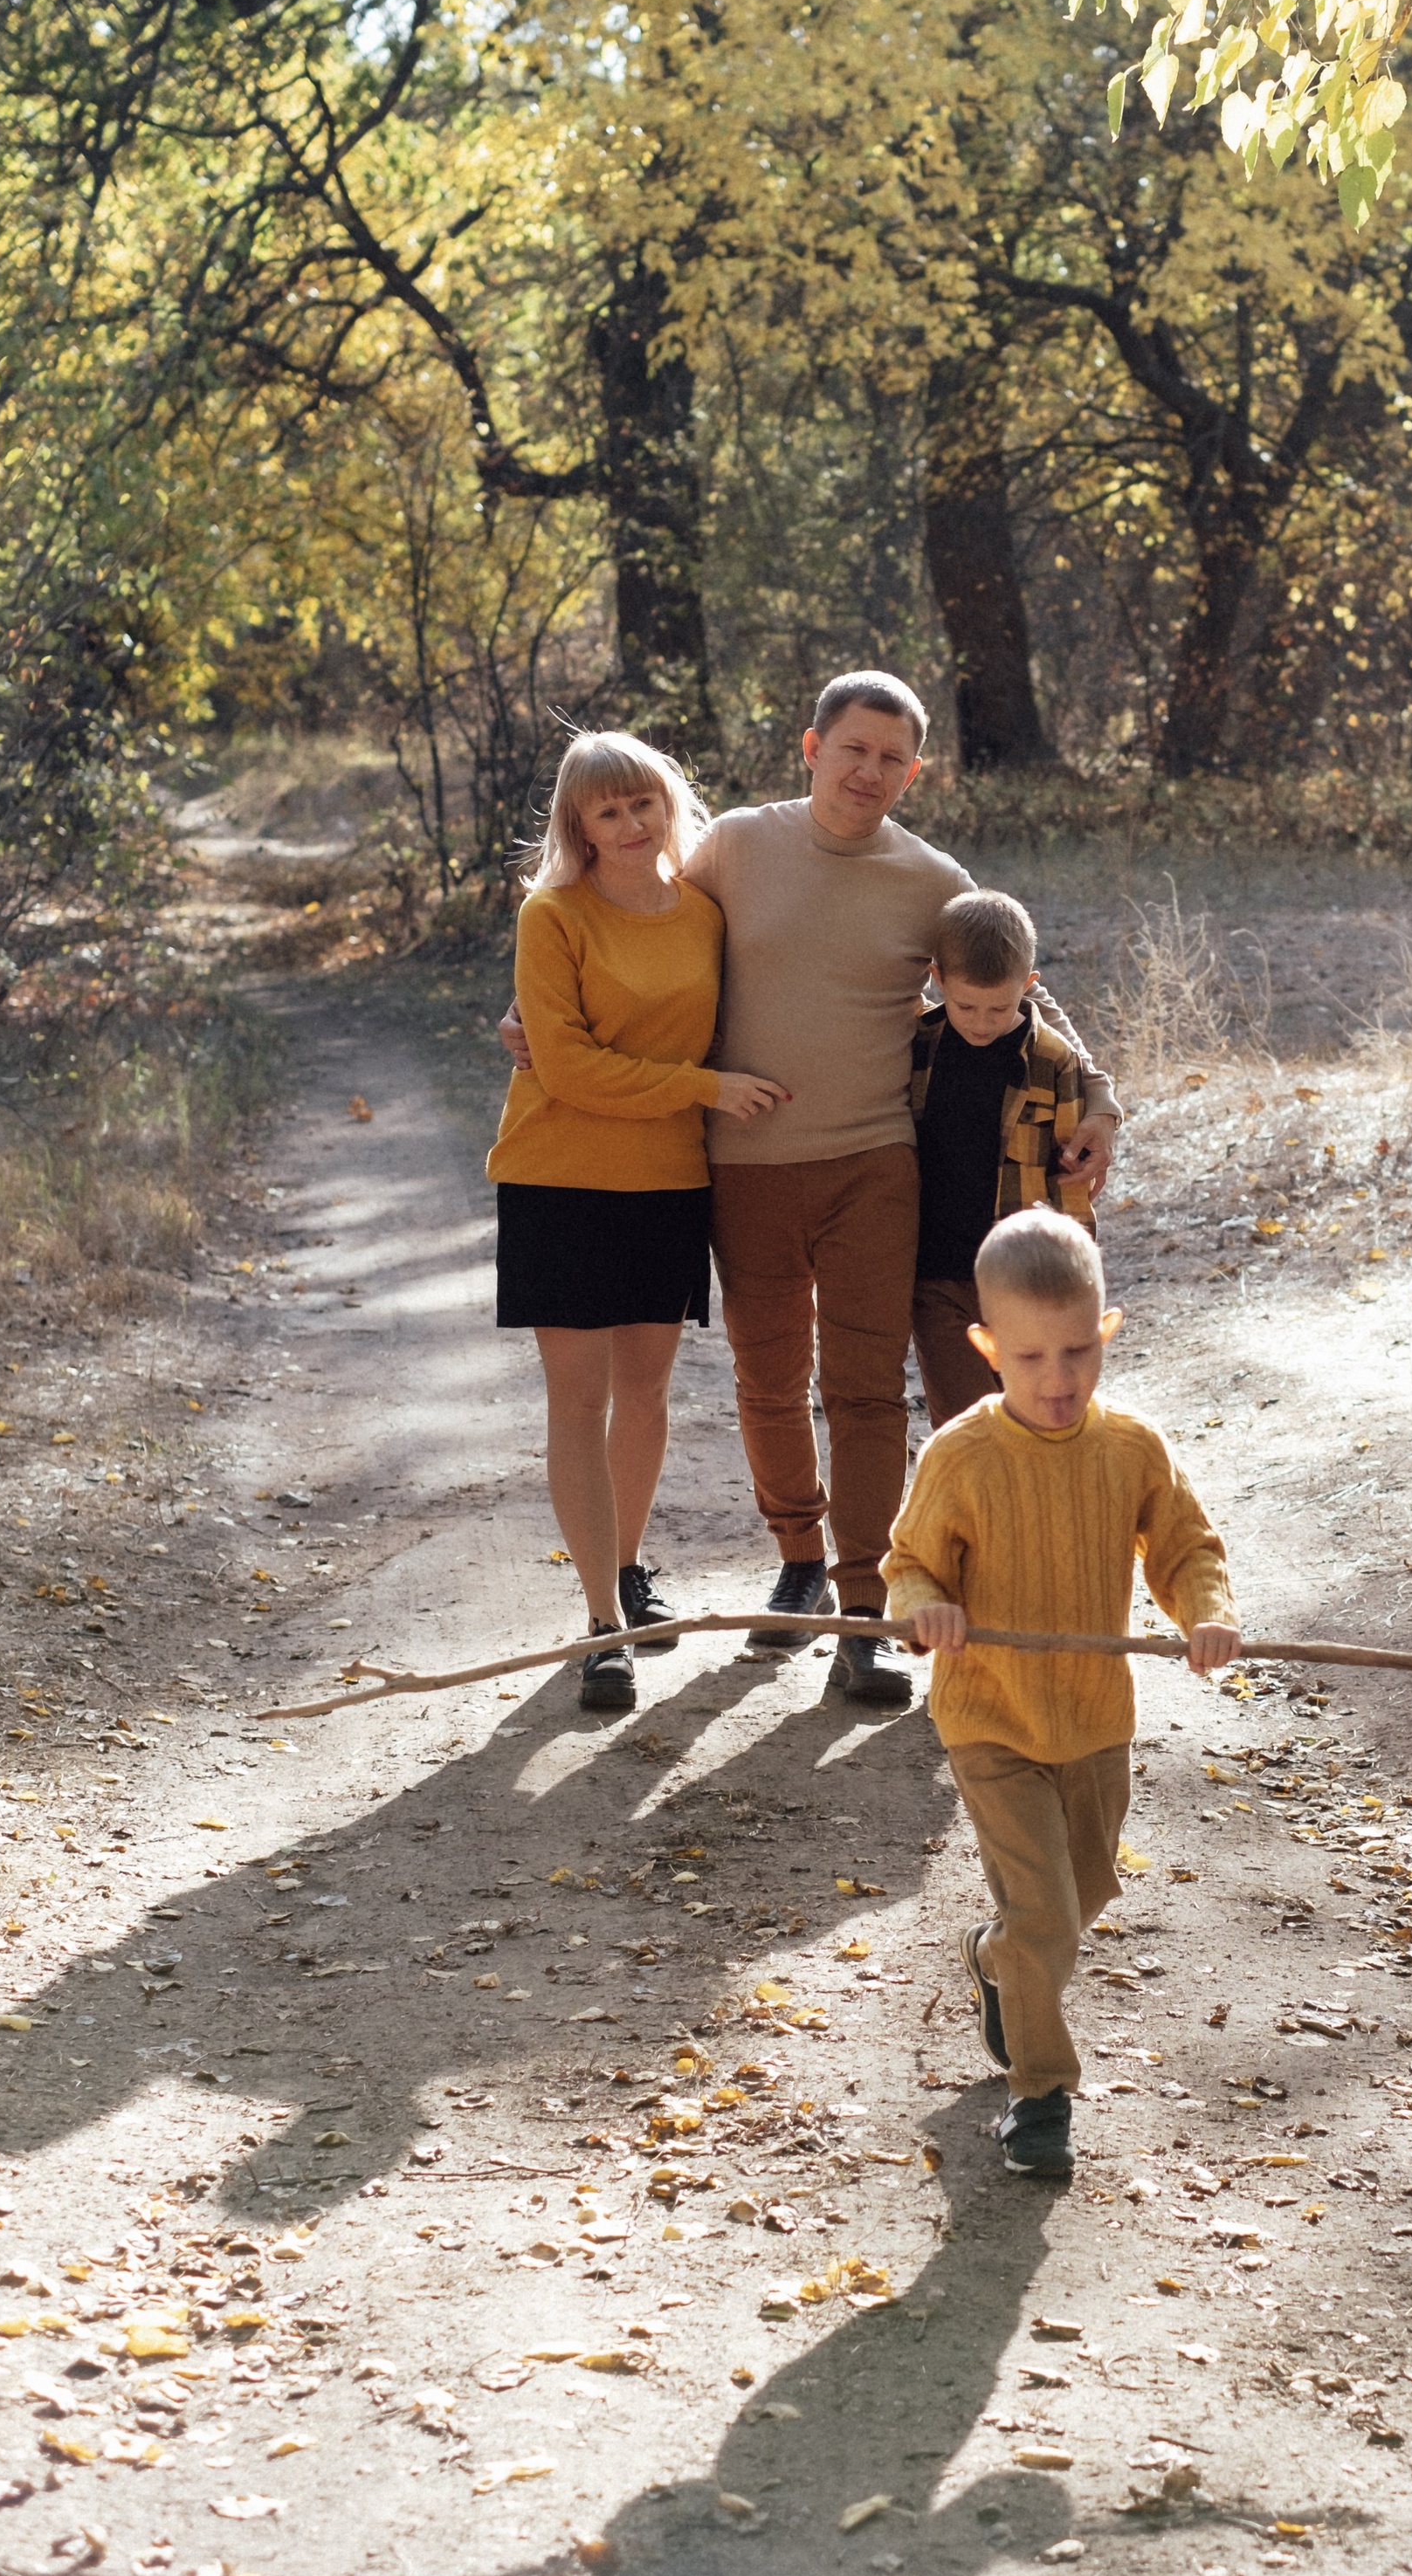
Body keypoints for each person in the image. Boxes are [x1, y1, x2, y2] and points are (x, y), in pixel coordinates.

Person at [499, 670, 1119, 1710]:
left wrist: (1097, 1096)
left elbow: (1021, 993)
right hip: (739, 1168)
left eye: (892, 758)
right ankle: (796, 1548)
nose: (869, 772)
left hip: (877, 1163)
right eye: (853, 750)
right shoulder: (735, 845)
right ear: (812, 749)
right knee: (768, 1374)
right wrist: (530, 1020)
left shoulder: (930, 879)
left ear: (913, 772)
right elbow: (626, 913)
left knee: (866, 1387)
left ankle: (863, 1609)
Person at [885, 1208, 1238, 2180]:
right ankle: (1041, 2100)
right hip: (991, 1718)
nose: (1058, 1378)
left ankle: (999, 1962)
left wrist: (1203, 1611)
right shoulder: (959, 1457)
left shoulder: (1130, 1447)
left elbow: (1184, 1547)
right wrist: (927, 1610)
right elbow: (908, 1566)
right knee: (1046, 1915)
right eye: (1031, 1355)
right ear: (988, 1347)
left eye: (1078, 1350)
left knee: (1079, 1900)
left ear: (1105, 1333)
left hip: (1092, 1721)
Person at [488, 731, 786, 1717]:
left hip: (667, 1180)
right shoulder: (552, 914)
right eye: (606, 811)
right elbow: (565, 1067)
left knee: (646, 1393)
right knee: (578, 1402)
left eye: (642, 805)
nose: (628, 825)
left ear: (669, 806)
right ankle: (601, 1627)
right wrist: (704, 1086)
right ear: (578, 825)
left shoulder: (705, 913)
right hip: (558, 1177)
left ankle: (625, 1568)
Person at [909, 887, 1096, 1431]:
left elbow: (1070, 1180)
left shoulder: (1053, 1061)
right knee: (969, 1426)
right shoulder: (918, 1048)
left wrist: (1074, 1269)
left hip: (1023, 1277)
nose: (982, 1022)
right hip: (937, 1275)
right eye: (965, 1006)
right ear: (937, 980)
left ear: (1030, 988)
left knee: (1040, 1416)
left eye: (1001, 1007)